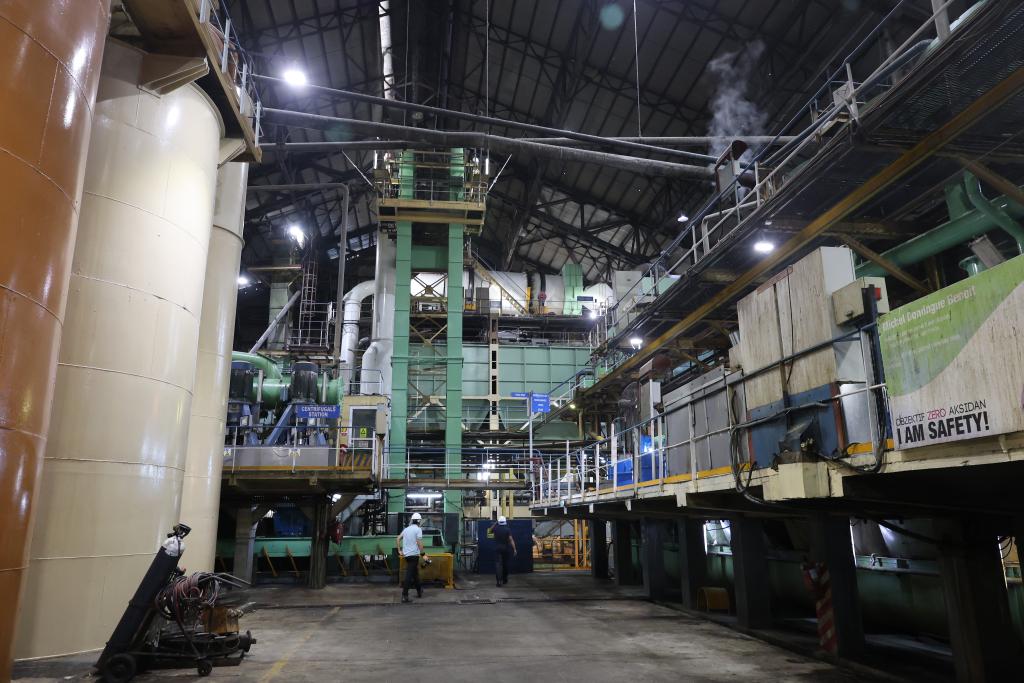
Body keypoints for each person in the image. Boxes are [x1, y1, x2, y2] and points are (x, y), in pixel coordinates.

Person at [397, 512, 425, 603]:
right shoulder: (418, 529)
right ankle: (404, 596)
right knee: (409, 575)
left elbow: (398, 539)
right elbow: (419, 542)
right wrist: (423, 554)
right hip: (414, 556)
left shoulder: (406, 529)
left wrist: (399, 550)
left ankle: (419, 590)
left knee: (415, 574)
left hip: (407, 556)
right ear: (418, 521)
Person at [490, 515, 517, 587]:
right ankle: (505, 579)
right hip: (506, 549)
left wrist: (496, 523)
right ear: (505, 522)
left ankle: (499, 581)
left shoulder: (495, 528)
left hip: (497, 549)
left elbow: (490, 530)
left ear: (499, 522)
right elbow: (511, 540)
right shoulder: (507, 529)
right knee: (505, 564)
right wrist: (514, 549)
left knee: (498, 565)